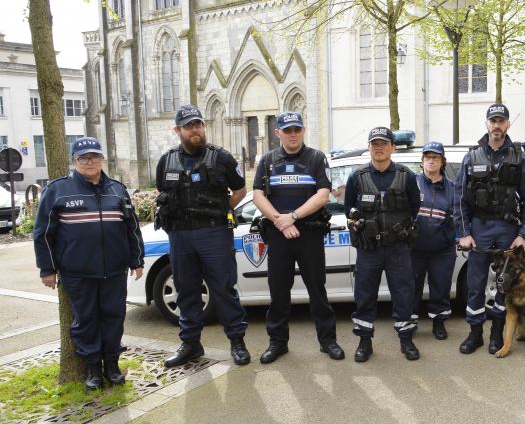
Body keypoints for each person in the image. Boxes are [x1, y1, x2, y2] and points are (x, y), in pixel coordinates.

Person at [33, 137, 144, 390]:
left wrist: (136, 260)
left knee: (114, 317)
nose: (89, 162)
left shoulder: (117, 189)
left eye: (94, 156)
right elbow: (42, 234)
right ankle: (93, 368)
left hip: (114, 271)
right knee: (86, 320)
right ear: (74, 161)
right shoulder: (58, 190)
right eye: (83, 158)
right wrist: (47, 269)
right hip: (77, 272)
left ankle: (112, 365)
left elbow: (132, 228)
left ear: (102, 159)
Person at [155, 105, 250, 367]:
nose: (194, 130)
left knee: (224, 289)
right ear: (178, 130)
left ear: (204, 126)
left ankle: (237, 341)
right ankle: (191, 344)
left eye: (198, 124)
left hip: (213, 233)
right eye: (188, 126)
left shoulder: (221, 158)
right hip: (180, 235)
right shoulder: (166, 161)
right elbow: (163, 192)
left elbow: (240, 190)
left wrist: (221, 210)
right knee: (186, 290)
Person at [252, 111, 344, 363]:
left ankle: (328, 341)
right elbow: (258, 195)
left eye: (297, 129)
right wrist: (281, 222)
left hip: (309, 234)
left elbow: (323, 194)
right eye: (287, 130)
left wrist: (292, 217)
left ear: (303, 130)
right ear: (278, 133)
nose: (293, 134)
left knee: (317, 290)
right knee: (279, 292)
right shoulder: (268, 160)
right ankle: (277, 343)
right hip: (279, 235)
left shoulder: (316, 158)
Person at [454, 104, 525, 355]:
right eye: (493, 121)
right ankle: (475, 334)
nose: (497, 125)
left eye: (501, 121)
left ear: (508, 124)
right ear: (487, 124)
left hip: (507, 229)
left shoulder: (519, 158)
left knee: (505, 284)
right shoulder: (471, 157)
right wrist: (464, 233)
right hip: (479, 228)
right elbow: (460, 199)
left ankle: (497, 335)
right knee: (475, 284)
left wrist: (522, 234)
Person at [344, 126, 422, 362]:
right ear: (369, 147)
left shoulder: (406, 176)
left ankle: (406, 340)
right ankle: (364, 341)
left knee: (403, 293)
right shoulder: (356, 177)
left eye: (384, 143)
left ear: (392, 147)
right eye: (375, 144)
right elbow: (349, 209)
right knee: (364, 294)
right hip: (369, 249)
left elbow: (415, 207)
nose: (379, 148)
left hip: (398, 247)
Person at [411, 142, 457, 340]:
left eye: (435, 157)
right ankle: (410, 322)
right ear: (422, 161)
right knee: (411, 288)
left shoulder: (453, 188)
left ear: (442, 162)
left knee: (441, 287)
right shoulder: (412, 183)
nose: (431, 160)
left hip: (442, 250)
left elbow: (461, 216)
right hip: (414, 248)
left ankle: (439, 323)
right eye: (427, 157)